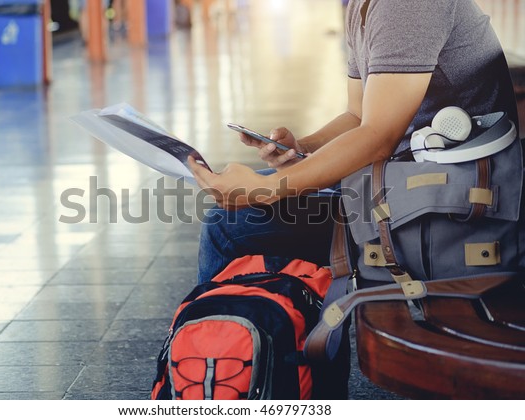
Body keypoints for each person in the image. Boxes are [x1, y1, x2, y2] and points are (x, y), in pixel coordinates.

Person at [189, 0, 519, 285]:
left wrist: (270, 188)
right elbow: (358, 115)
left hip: (451, 207)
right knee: (242, 210)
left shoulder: (405, 8)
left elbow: (378, 138)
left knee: (228, 223)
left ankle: (218, 350)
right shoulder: (363, 7)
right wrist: (305, 148)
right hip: (404, 183)